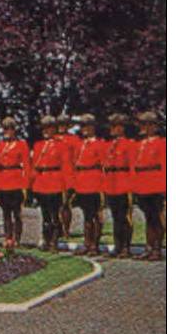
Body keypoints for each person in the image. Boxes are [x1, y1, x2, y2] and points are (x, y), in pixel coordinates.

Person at [31, 115, 71, 253]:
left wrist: (67, 186)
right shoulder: (38, 146)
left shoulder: (61, 145)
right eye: (44, 128)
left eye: (49, 128)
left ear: (54, 129)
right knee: (45, 215)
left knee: (55, 215)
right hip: (41, 182)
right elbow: (34, 166)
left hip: (55, 181)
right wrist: (32, 183)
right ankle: (46, 240)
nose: (46, 131)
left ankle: (54, 242)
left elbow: (66, 166)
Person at [132, 111, 166, 261]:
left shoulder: (161, 143)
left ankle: (157, 248)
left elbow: (165, 166)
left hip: (155, 184)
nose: (143, 127)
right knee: (148, 217)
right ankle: (149, 246)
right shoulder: (139, 144)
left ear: (154, 126)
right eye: (142, 124)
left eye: (146, 124)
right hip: (142, 184)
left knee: (156, 217)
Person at [71, 114, 107, 255]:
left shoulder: (99, 144)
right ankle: (87, 243)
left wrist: (103, 185)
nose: (84, 129)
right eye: (82, 126)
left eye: (87, 126)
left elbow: (104, 165)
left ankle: (95, 245)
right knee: (86, 215)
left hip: (94, 181)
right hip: (82, 182)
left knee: (96, 215)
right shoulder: (80, 144)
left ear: (93, 127)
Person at [102, 114, 136, 259]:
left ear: (122, 128)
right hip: (111, 183)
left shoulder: (129, 144)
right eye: (111, 126)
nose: (112, 129)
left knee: (125, 217)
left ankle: (126, 247)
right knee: (115, 217)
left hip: (123, 183)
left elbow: (132, 166)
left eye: (115, 126)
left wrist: (132, 185)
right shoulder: (109, 145)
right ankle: (117, 246)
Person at [0, 117, 30, 246]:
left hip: (16, 181)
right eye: (5, 129)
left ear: (14, 130)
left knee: (16, 213)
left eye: (10, 128)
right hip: (3, 181)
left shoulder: (21, 144)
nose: (7, 131)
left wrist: (25, 185)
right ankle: (8, 237)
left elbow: (26, 165)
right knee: (5, 213)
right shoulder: (0, 145)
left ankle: (17, 238)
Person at [56, 113, 81, 237]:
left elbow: (77, 158)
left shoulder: (74, 140)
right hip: (54, 175)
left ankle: (66, 229)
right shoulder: (53, 139)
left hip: (68, 175)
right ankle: (56, 229)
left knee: (65, 204)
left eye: (64, 125)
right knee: (54, 205)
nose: (62, 127)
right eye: (60, 124)